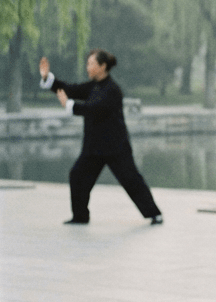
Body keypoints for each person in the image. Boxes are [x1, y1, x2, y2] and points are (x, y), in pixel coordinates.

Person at [38, 50, 163, 226]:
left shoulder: (113, 90)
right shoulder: (92, 87)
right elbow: (70, 89)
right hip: (94, 148)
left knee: (131, 180)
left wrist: (69, 105)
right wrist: (47, 78)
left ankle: (154, 214)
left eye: (91, 64)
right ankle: (80, 216)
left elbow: (93, 109)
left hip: (115, 148)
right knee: (77, 175)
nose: (87, 67)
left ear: (102, 66)